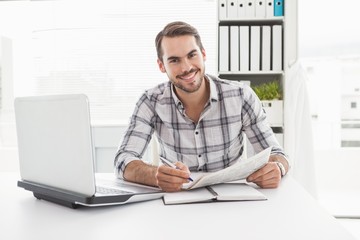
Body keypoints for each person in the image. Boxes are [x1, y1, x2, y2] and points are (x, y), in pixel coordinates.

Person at [114, 21, 289, 192]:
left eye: (192, 55)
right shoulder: (150, 101)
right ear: (161, 65)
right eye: (174, 60)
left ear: (203, 54)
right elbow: (123, 159)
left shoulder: (241, 96)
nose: (187, 67)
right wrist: (155, 175)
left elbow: (277, 153)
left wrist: (278, 168)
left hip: (232, 197)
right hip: (178, 200)